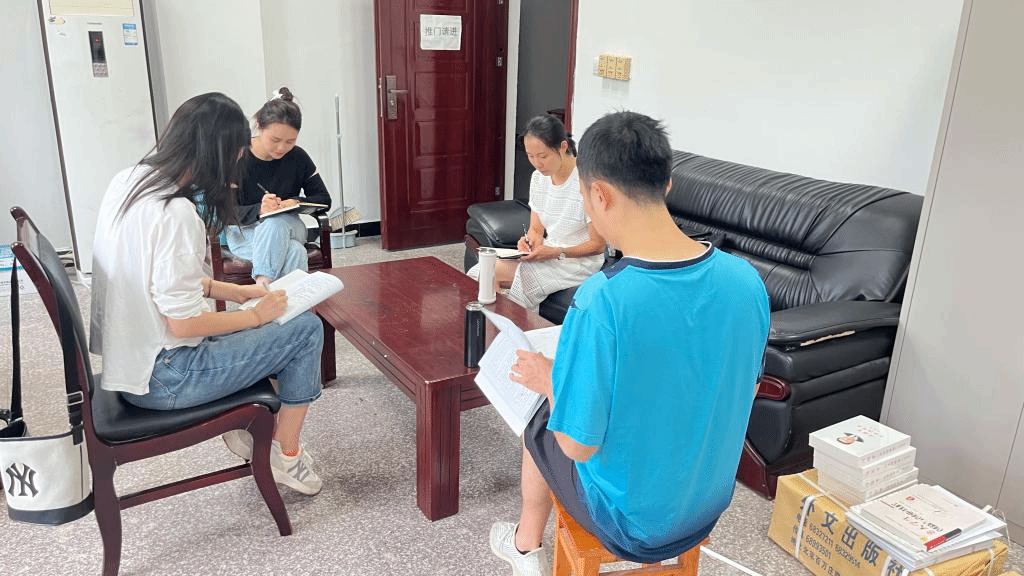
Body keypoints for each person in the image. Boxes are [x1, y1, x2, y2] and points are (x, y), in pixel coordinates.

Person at [488, 111, 771, 575]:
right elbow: (746, 389)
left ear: (598, 195)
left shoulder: (602, 299)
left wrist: (551, 381)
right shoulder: (746, 281)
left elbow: (576, 446)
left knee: (540, 414)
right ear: (666, 186)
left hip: (631, 525)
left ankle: (523, 547)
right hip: (709, 504)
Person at [90, 92, 324, 496]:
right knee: (305, 329)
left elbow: (156, 278)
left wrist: (235, 292)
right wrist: (257, 315)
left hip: (130, 360)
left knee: (269, 320)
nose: (239, 160)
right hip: (166, 377)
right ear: (219, 152)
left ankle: (252, 430)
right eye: (236, 151)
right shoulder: (175, 214)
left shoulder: (129, 181)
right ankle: (285, 454)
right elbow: (183, 324)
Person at [470, 114, 606, 311]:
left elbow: (598, 245)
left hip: (577, 262)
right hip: (549, 253)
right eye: (530, 156)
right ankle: (497, 325)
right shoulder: (538, 179)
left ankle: (509, 325)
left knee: (491, 275)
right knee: (481, 272)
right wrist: (529, 242)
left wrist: (557, 252)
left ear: (563, 147)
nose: (537, 163)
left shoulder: (586, 181)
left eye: (543, 156)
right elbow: (536, 229)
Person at [225, 87, 332, 288]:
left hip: (290, 226)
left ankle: (262, 288)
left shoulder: (298, 157)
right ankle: (295, 305)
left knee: (276, 222)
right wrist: (260, 210)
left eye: (290, 141)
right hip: (245, 234)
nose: (282, 148)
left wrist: (295, 202)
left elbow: (324, 199)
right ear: (259, 127)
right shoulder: (238, 158)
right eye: (275, 140)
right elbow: (225, 211)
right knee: (295, 251)